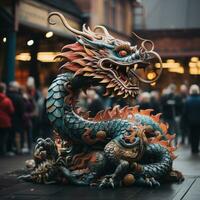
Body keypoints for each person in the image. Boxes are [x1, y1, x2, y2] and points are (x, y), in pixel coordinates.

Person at [7, 81, 25, 154]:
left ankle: (9, 149)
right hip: (17, 119)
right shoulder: (19, 97)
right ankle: (17, 149)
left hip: (8, 118)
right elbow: (22, 110)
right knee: (17, 135)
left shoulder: (6, 95)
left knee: (9, 135)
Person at [183, 84, 200, 154]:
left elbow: (185, 112)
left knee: (191, 134)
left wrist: (185, 121)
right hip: (199, 121)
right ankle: (196, 148)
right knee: (197, 134)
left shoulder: (188, 100)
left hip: (190, 121)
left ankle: (193, 148)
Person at [0, 82, 14, 155]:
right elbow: (11, 110)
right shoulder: (7, 100)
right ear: (3, 90)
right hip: (5, 121)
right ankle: (3, 151)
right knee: (4, 137)